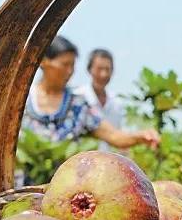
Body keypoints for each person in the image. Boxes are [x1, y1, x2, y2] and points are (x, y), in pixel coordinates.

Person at [21, 35, 159, 151]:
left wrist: (139, 137)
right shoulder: (22, 100)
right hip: (20, 182)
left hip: (66, 182)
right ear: (44, 62)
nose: (70, 71)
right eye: (65, 64)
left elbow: (113, 135)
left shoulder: (78, 105)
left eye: (72, 65)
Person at [75, 49, 126, 152]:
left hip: (109, 164)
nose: (104, 74)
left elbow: (119, 137)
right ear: (89, 69)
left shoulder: (117, 102)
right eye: (99, 69)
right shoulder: (78, 98)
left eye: (108, 69)